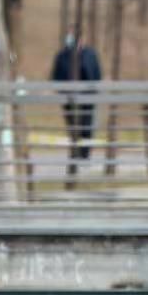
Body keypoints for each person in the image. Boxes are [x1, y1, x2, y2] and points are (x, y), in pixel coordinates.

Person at [50, 32, 102, 187]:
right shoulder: (62, 56)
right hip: (69, 97)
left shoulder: (90, 54)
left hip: (88, 96)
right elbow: (56, 75)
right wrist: (62, 91)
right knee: (73, 126)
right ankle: (75, 152)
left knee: (87, 124)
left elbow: (96, 73)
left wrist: (94, 88)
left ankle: (84, 154)